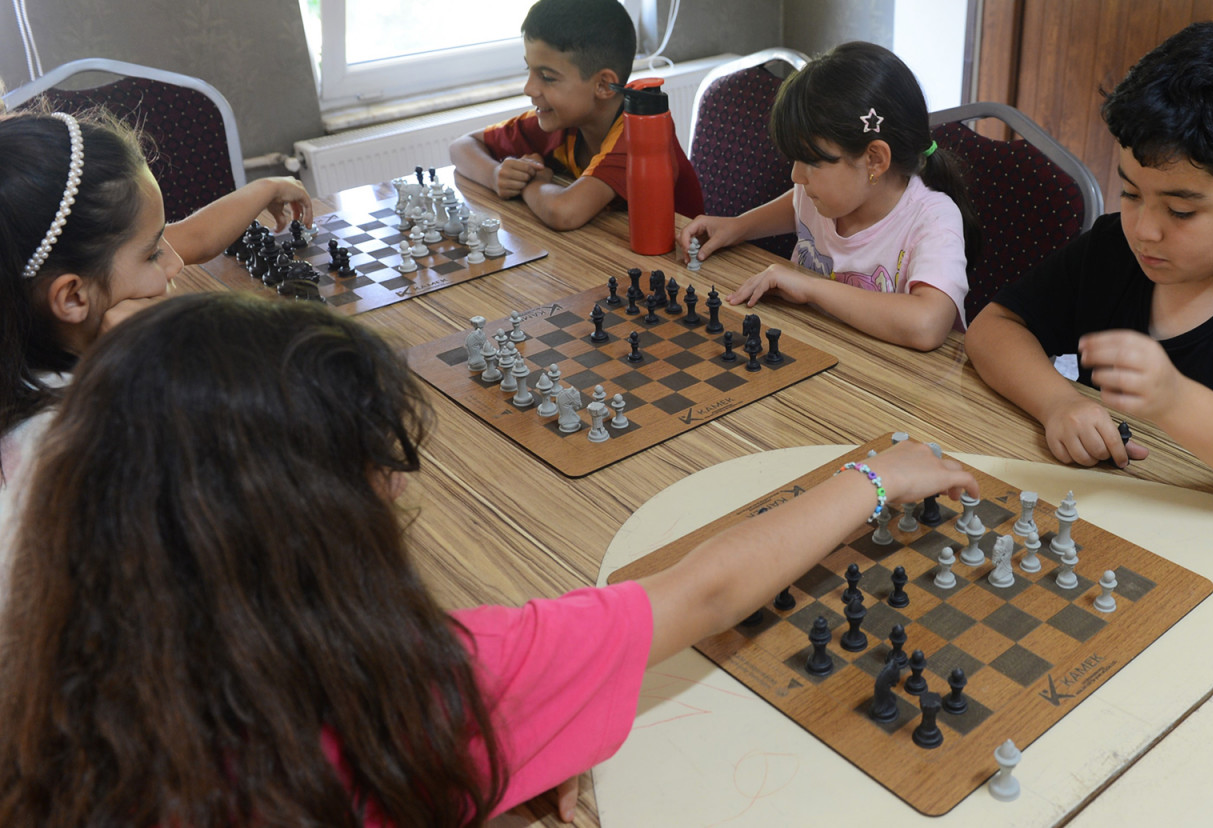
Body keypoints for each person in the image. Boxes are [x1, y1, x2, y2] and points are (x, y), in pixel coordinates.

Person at [0, 292, 977, 827]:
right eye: (379, 466)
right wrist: (876, 476)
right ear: (318, 521)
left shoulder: (48, 705)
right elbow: (704, 591)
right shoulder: (421, 692)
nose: (397, 487)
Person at [967, 22, 1213, 516]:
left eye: (1181, 211)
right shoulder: (1113, 250)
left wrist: (1174, 400)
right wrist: (1058, 402)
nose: (1144, 230)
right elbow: (995, 327)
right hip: (1112, 513)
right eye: (1130, 193)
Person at [0, 108, 310, 558]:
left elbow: (189, 239)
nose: (175, 261)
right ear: (71, 297)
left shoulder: (24, 306)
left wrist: (264, 189)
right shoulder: (102, 438)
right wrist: (150, 360)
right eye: (152, 254)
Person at [676, 41, 979, 351]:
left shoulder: (934, 220)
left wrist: (811, 288)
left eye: (811, 161)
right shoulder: (824, 194)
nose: (796, 176)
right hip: (815, 349)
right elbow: (798, 204)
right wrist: (738, 226)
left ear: (874, 160)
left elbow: (927, 326)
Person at [449, 0, 705, 230]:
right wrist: (496, 175)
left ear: (603, 85)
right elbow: (461, 146)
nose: (529, 88)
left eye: (547, 77)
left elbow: (564, 212)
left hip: (683, 256)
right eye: (529, 70)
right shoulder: (560, 120)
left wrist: (532, 184)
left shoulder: (641, 133)